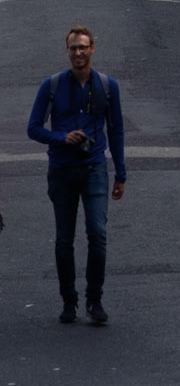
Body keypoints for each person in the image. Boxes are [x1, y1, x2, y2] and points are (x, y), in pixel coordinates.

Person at [27, 24, 127, 326]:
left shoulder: (108, 87)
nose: (78, 53)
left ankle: (94, 300)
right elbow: (33, 128)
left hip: (95, 167)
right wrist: (61, 137)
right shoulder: (52, 85)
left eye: (83, 47)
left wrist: (121, 173)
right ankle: (69, 300)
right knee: (63, 239)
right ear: (67, 51)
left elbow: (117, 130)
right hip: (62, 169)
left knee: (97, 234)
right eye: (73, 48)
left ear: (93, 48)